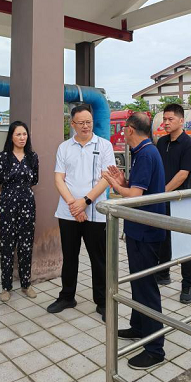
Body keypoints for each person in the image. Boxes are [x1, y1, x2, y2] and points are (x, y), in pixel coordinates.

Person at [103, 113, 167, 370]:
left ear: (129, 130)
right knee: (138, 283)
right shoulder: (145, 152)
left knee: (146, 287)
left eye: (123, 129)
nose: (122, 133)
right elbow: (138, 188)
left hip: (145, 232)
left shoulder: (146, 154)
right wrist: (124, 182)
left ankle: (155, 348)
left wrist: (116, 186)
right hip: (141, 230)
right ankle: (139, 326)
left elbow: (135, 196)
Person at [48, 104, 116, 320]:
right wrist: (73, 204)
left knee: (99, 259)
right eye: (81, 123)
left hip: (95, 212)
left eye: (89, 122)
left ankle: (103, 302)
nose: (86, 126)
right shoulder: (64, 147)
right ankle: (67, 296)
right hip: (68, 212)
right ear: (72, 124)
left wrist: (85, 201)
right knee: (69, 256)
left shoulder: (104, 145)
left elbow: (107, 178)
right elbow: (59, 178)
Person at [155, 103, 191, 303]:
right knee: (162, 238)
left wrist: (163, 192)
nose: (166, 122)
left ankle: (187, 285)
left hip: (181, 201)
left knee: (185, 244)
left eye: (170, 119)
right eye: (164, 119)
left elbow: (183, 174)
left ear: (181, 121)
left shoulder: (188, 144)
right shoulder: (161, 142)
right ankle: (163, 273)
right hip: (162, 200)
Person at [0, 121, 40, 301]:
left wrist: (21, 196)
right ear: (11, 137)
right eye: (18, 134)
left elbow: (34, 181)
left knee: (26, 245)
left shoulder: (32, 157)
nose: (22, 138)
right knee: (7, 245)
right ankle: (6, 286)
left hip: (27, 206)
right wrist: (5, 200)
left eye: (24, 134)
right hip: (8, 207)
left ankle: (26, 284)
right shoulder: (3, 157)